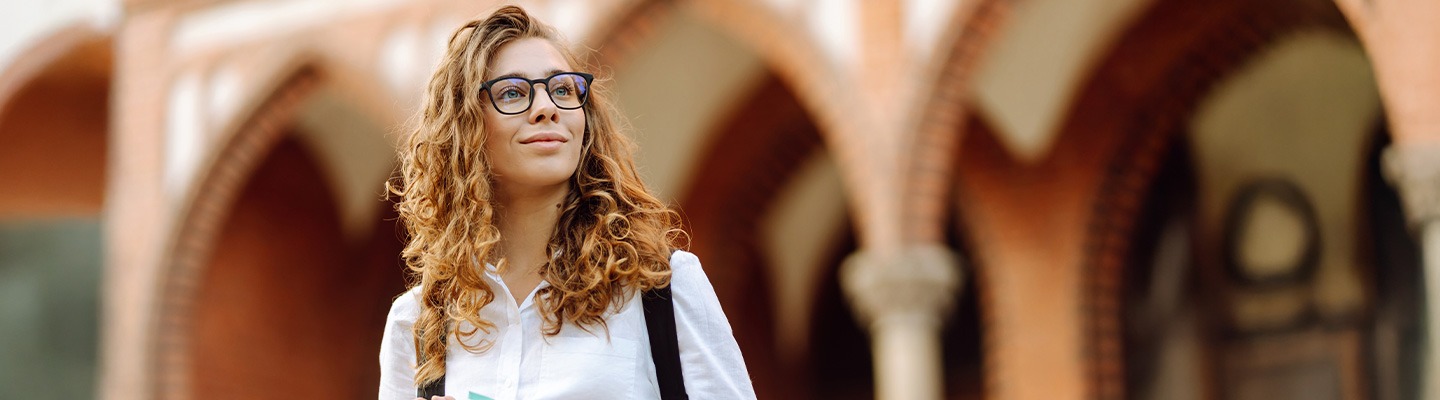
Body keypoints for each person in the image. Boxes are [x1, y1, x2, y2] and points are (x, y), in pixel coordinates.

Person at [379, 5, 755, 400]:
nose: (547, 108)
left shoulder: (659, 288)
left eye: (562, 89)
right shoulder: (419, 321)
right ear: (463, 127)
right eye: (513, 92)